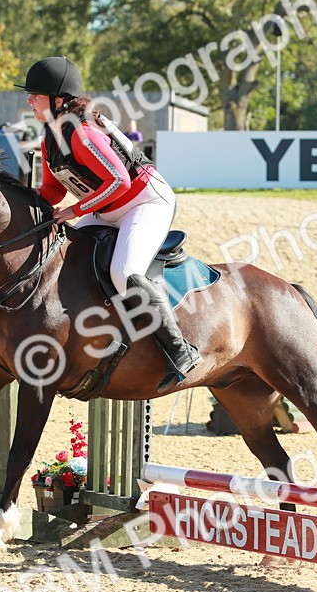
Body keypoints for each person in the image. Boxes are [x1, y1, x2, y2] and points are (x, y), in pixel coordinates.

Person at [16, 55, 200, 389]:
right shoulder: (50, 136)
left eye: (35, 95)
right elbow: (54, 190)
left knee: (123, 272)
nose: (29, 100)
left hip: (145, 201)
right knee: (67, 255)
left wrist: (75, 211)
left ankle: (179, 348)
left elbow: (119, 181)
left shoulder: (83, 133)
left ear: (58, 100)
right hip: (106, 207)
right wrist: (24, 202)